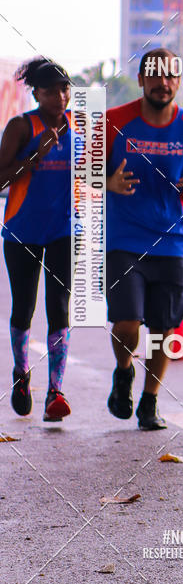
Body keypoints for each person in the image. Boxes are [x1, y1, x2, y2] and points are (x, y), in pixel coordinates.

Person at [105, 48, 183, 430]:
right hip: (123, 239)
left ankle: (150, 401)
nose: (162, 83)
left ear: (178, 81)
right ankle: (123, 372)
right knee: (126, 323)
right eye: (154, 75)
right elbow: (82, 172)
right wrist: (107, 182)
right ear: (141, 80)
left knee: (164, 328)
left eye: (170, 76)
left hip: (172, 241)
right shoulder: (113, 121)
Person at [0, 57, 72, 422]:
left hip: (64, 231)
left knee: (59, 307)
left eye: (65, 88)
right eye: (51, 90)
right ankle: (21, 373)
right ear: (36, 93)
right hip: (21, 230)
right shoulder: (20, 126)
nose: (60, 96)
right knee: (24, 307)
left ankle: (55, 391)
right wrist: (34, 155)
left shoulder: (81, 126)